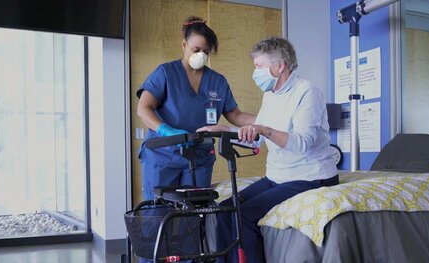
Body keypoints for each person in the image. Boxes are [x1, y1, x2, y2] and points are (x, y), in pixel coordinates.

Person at [213, 37, 340, 263]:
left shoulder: (307, 93)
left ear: (279, 66)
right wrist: (226, 130)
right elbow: (256, 140)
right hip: (278, 176)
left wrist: (265, 129)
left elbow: (302, 143)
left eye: (259, 66)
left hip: (310, 176)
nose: (255, 73)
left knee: (243, 216)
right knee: (225, 210)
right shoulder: (270, 95)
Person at [137, 16, 255, 202]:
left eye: (206, 52)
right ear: (184, 44)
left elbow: (235, 115)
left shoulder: (218, 81)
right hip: (163, 156)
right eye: (196, 49)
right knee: (158, 214)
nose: (201, 55)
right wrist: (165, 130)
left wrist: (268, 119)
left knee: (195, 215)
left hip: (200, 158)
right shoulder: (165, 73)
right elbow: (144, 108)